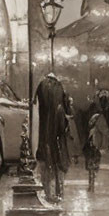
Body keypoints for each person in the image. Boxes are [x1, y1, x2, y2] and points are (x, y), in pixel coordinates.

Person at [34, 72, 71, 203]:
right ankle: (57, 193)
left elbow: (37, 107)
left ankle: (47, 193)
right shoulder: (60, 88)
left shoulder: (41, 86)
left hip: (43, 133)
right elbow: (67, 112)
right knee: (58, 163)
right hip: (57, 135)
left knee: (45, 163)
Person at [83, 111, 108, 192]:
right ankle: (91, 186)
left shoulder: (96, 130)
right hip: (92, 151)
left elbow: (97, 141)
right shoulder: (93, 130)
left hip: (94, 151)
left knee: (92, 170)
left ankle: (91, 186)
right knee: (91, 170)